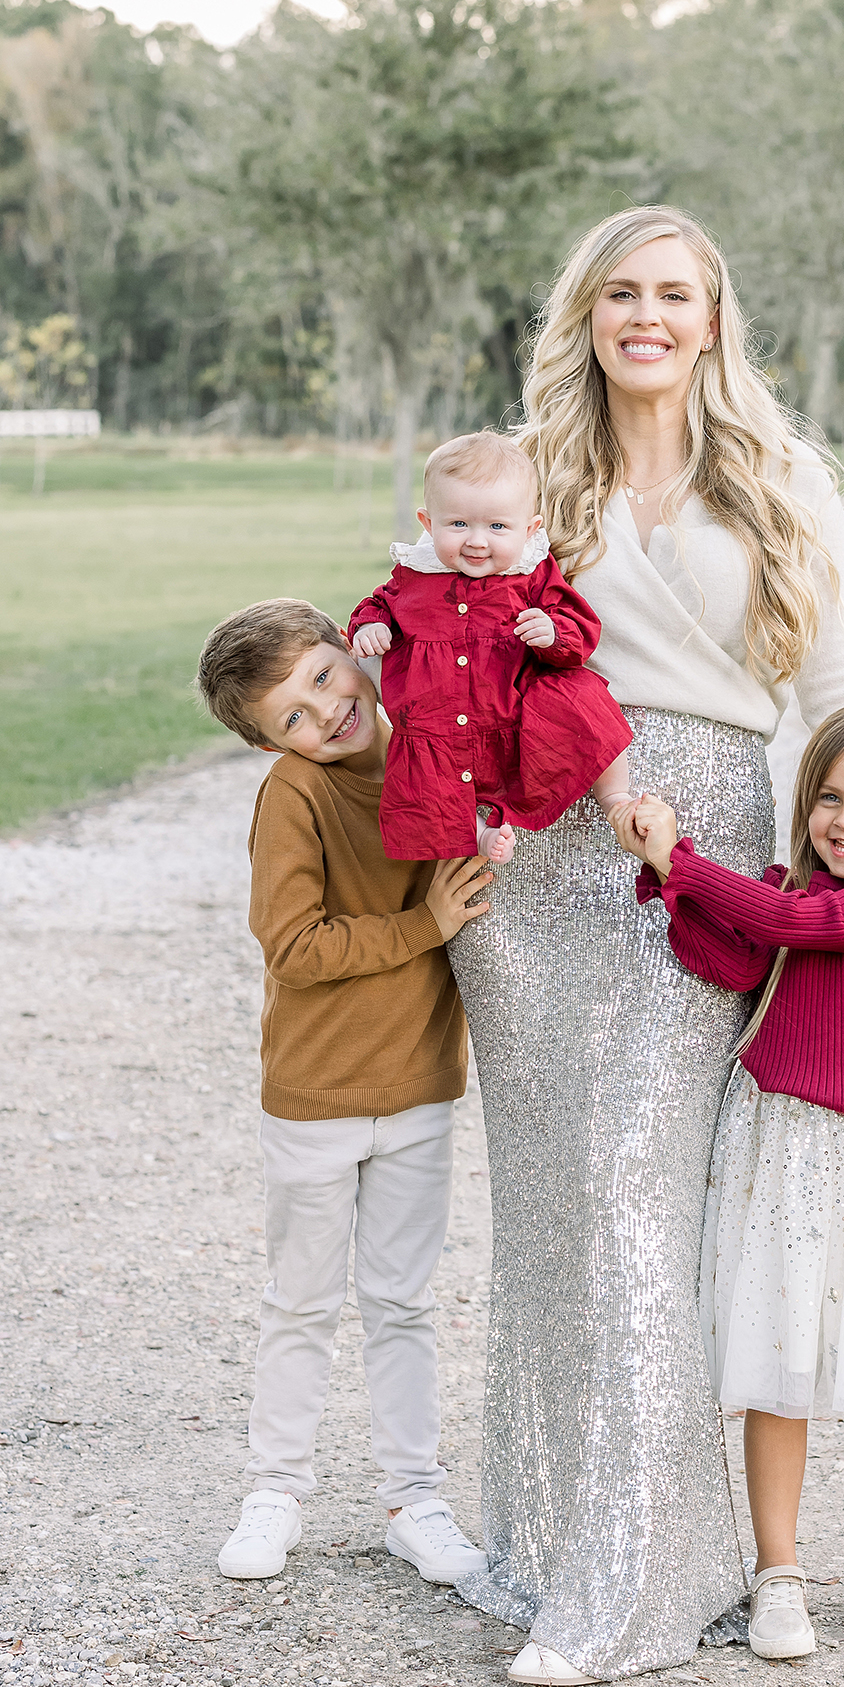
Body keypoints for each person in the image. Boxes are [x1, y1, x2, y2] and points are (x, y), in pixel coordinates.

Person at [443, 203, 844, 1687]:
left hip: (703, 859)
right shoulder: (534, 469)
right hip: (544, 868)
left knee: (642, 1203)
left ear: (714, 318)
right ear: (586, 315)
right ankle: (561, 1540)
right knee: (556, 1218)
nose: (646, 316)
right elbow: (452, 630)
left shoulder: (782, 475)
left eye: (674, 293)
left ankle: (637, 1582)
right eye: (620, 292)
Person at [616, 701, 844, 1662]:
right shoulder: (786, 889)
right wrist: (671, 883)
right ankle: (778, 1576)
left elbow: (790, 922)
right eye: (830, 797)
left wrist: (682, 863)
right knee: (778, 1367)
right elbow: (732, 952)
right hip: (781, 1145)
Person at [195, 597, 494, 1585]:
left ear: (350, 650)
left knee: (403, 1302)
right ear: (269, 743)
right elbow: (295, 944)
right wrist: (426, 926)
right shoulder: (296, 796)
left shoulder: (434, 752)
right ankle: (272, 1491)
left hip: (416, 1088)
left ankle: (415, 1499)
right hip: (317, 1095)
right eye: (291, 714)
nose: (322, 711)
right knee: (302, 1302)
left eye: (324, 676)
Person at [348, 430, 633, 866]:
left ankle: (613, 794)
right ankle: (478, 833)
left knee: (584, 701)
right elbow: (378, 604)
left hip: (516, 715)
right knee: (428, 782)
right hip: (438, 719)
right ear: (428, 523)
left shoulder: (531, 572)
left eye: (497, 527)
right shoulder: (414, 575)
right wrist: (371, 625)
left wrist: (553, 632)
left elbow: (578, 627)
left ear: (530, 528)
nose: (477, 541)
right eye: (458, 524)